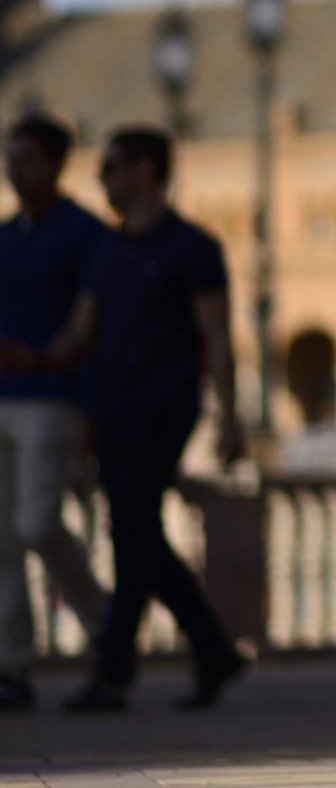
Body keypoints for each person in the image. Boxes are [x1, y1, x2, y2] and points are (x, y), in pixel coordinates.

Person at [2, 126, 248, 710]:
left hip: (166, 405)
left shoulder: (193, 247)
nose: (102, 181)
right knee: (137, 531)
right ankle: (214, 649)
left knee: (130, 525)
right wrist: (34, 358)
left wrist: (231, 417)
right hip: (111, 407)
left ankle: (114, 673)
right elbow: (79, 332)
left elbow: (217, 339)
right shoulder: (106, 251)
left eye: (110, 169)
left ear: (143, 171)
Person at [0, 115, 110, 708]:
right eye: (9, 159)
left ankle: (103, 624)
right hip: (1, 397)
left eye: (27, 159)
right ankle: (12, 664)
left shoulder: (85, 234)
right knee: (0, 542)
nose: (15, 171)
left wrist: (82, 414)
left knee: (37, 523)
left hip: (48, 397)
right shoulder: (3, 237)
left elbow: (92, 332)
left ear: (56, 164)